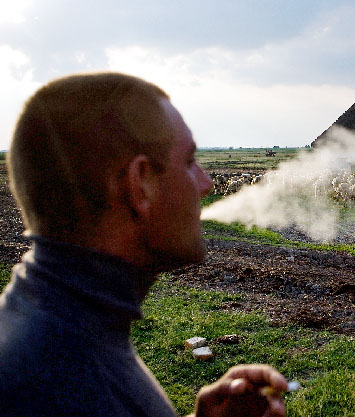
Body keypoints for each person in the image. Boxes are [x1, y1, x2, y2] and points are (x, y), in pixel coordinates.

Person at [0, 72, 288, 416]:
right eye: (189, 162)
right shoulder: (75, 385)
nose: (206, 184)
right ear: (140, 186)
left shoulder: (54, 328)